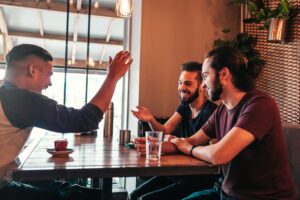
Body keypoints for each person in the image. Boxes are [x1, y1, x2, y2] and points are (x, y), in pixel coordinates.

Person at [138, 46, 295, 200]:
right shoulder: (222, 110)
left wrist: (188, 148)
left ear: (224, 74)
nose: (203, 85)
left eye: (205, 76)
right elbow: (192, 140)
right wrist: (158, 145)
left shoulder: (260, 105)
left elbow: (218, 155)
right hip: (226, 193)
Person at [0, 44, 133, 200]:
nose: (50, 83)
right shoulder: (20, 99)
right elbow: (85, 120)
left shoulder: (5, 92)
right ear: (32, 70)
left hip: (5, 180)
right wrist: (113, 77)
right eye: (49, 74)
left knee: (73, 192)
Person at [129, 62, 219, 200]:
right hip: (180, 172)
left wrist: (173, 142)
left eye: (187, 83)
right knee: (133, 195)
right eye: (180, 82)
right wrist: (151, 120)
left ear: (202, 86)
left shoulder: (211, 111)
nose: (181, 87)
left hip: (198, 179)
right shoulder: (184, 107)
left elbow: (211, 150)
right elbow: (165, 130)